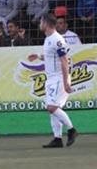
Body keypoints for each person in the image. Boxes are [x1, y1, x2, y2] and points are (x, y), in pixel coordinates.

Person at [27, 15, 78, 148]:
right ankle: (57, 138)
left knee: (51, 107)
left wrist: (66, 81)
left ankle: (72, 130)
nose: (39, 24)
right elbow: (52, 57)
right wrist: (38, 56)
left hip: (58, 78)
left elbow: (64, 60)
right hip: (51, 78)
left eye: (41, 22)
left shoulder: (57, 39)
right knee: (53, 108)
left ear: (47, 23)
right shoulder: (48, 39)